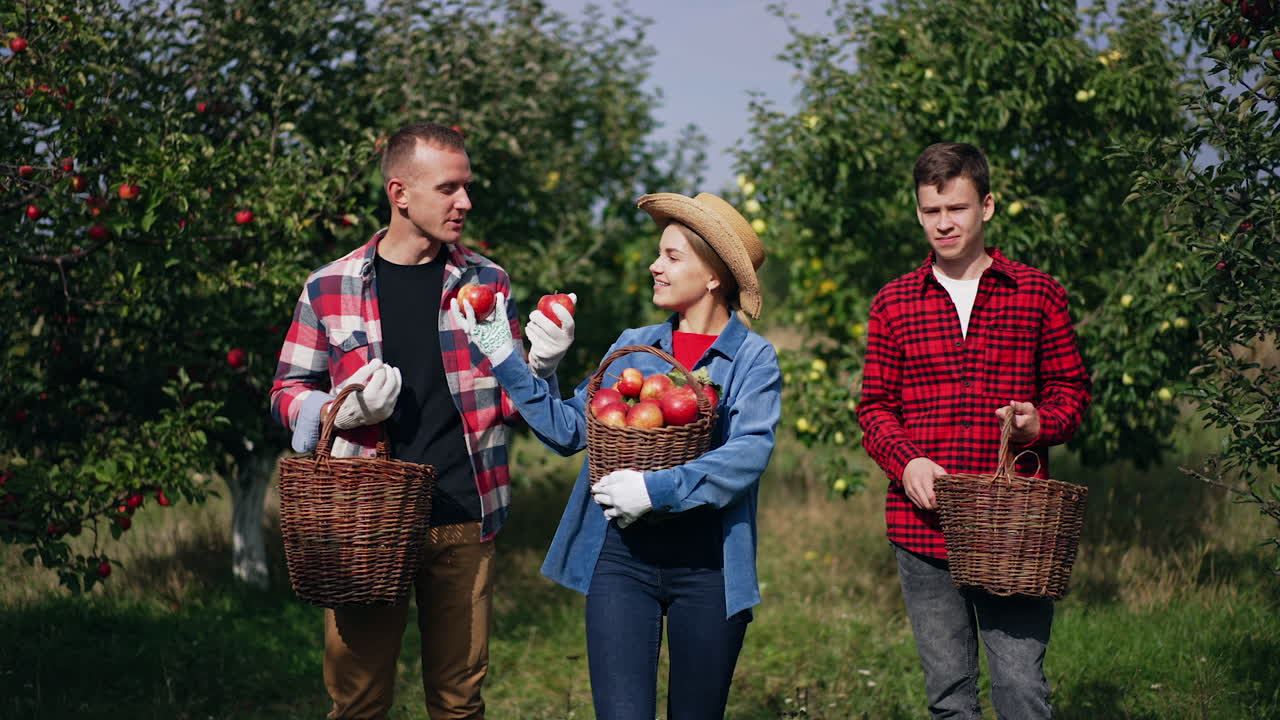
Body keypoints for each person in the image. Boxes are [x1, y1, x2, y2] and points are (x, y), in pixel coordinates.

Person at [449, 192, 781, 720]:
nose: (655, 265)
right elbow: (567, 431)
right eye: (659, 254)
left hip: (708, 568)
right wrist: (508, 357)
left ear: (714, 274)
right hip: (621, 562)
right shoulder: (635, 346)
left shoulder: (751, 358)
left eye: (672, 256)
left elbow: (748, 453)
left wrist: (656, 490)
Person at [269, 121, 528, 720]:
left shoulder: (487, 283)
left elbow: (511, 401)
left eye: (466, 187)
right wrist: (337, 409)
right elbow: (286, 388)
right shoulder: (329, 286)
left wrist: (539, 365)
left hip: (465, 512)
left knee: (460, 701)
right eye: (448, 189)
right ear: (399, 193)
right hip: (368, 524)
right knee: (358, 701)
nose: (466, 201)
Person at [857, 142, 1092, 719]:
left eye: (956, 209)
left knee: (1020, 690)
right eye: (931, 212)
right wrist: (907, 462)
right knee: (949, 700)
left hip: (1015, 528)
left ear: (985, 207)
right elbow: (875, 408)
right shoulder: (894, 301)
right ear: (918, 212)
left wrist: (1041, 423)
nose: (943, 224)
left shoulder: (1037, 292)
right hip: (924, 526)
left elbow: (1072, 392)